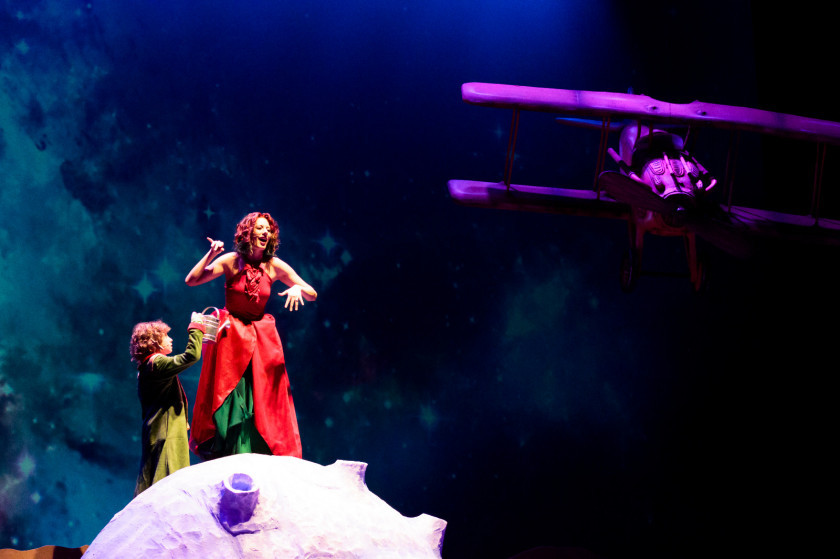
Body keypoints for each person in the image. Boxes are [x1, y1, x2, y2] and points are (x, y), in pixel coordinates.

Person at [185, 211, 317, 460]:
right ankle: (232, 455)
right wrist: (211, 254)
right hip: (232, 339)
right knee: (232, 397)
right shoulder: (231, 261)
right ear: (248, 233)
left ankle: (256, 456)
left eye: (268, 229)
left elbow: (312, 294)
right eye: (259, 228)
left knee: (260, 399)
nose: (265, 232)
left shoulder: (274, 265)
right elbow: (191, 280)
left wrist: (298, 288)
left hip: (260, 341)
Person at [129, 317, 205, 496]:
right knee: (170, 484)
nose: (171, 339)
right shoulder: (157, 364)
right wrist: (196, 328)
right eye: (165, 336)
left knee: (156, 480)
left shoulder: (147, 367)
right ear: (154, 342)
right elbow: (191, 356)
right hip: (167, 433)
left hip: (159, 431)